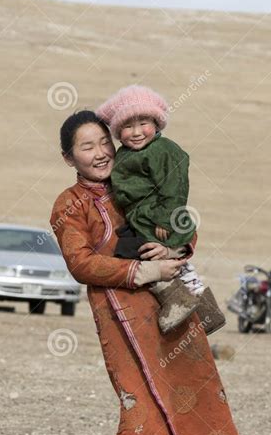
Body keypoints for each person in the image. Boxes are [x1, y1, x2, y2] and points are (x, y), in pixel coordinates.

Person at [49, 110, 240, 435]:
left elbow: (177, 217)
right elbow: (81, 264)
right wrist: (141, 268)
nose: (99, 153)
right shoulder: (69, 205)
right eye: (86, 147)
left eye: (103, 143)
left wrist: (174, 248)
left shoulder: (135, 177)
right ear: (68, 157)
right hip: (121, 314)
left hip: (168, 309)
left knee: (171, 401)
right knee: (141, 407)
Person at [96, 84, 225, 335]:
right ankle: (204, 311)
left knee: (151, 257)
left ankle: (178, 301)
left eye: (143, 122)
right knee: (165, 262)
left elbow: (174, 187)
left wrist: (165, 221)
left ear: (157, 122)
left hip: (159, 217)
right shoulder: (126, 154)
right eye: (127, 126)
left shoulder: (162, 150)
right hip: (141, 218)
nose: (135, 132)